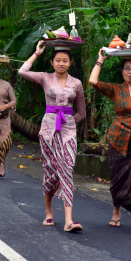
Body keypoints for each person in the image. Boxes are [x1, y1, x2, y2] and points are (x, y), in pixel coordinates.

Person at [18, 41, 86, 232]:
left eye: (65, 60)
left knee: (67, 167)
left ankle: (69, 221)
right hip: (48, 130)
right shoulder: (45, 78)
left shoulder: (77, 83)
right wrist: (37, 53)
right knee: (50, 170)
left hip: (68, 131)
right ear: (52, 62)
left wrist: (70, 122)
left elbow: (82, 111)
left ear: (70, 63)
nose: (61, 63)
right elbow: (22, 72)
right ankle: (49, 212)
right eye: (58, 60)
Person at [88, 49, 131, 235]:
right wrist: (100, 59)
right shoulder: (116, 89)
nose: (130, 72)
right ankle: (116, 211)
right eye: (126, 68)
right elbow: (93, 81)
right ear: (122, 72)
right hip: (118, 139)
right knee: (118, 178)